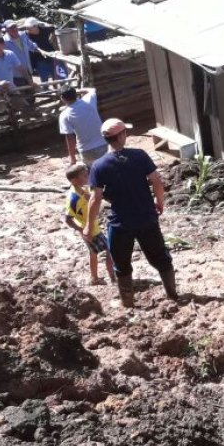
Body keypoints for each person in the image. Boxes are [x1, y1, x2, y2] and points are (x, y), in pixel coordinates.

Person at [86, 118, 177, 307]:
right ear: (121, 135)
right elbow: (156, 181)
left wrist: (88, 224)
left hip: (120, 223)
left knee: (121, 264)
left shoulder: (98, 165)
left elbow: (95, 198)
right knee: (160, 257)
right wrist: (159, 202)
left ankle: (127, 303)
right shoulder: (140, 155)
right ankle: (172, 295)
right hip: (146, 218)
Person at [63, 162, 115, 285]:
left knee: (93, 253)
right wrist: (81, 230)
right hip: (90, 230)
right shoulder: (73, 198)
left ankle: (94, 278)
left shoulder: (82, 189)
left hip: (92, 228)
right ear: (74, 180)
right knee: (110, 250)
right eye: (85, 176)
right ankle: (113, 276)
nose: (88, 177)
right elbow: (67, 219)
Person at [59, 87, 108, 165]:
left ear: (62, 98)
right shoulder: (88, 101)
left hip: (86, 150)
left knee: (93, 173)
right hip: (103, 144)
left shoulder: (64, 115)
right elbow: (92, 90)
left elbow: (70, 138)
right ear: (76, 94)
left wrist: (72, 157)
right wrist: (78, 90)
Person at [21, 17, 60, 81]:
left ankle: (55, 86)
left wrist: (53, 39)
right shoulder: (26, 35)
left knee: (55, 74)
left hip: (50, 55)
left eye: (29, 28)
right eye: (27, 28)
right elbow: (32, 47)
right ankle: (46, 88)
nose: (28, 29)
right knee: (44, 77)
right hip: (38, 59)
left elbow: (54, 28)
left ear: (36, 26)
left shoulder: (44, 30)